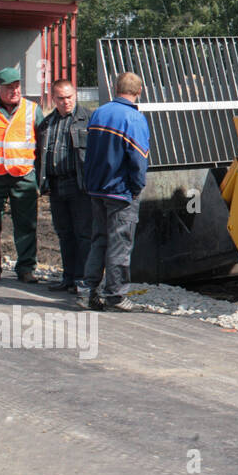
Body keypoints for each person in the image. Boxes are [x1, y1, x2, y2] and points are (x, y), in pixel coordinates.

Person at [80, 72, 150, 312]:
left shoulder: (99, 113)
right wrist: (137, 187)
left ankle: (88, 290)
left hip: (97, 188)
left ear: (115, 87)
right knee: (120, 245)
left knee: (99, 239)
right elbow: (138, 160)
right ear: (139, 91)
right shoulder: (134, 119)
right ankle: (116, 296)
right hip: (120, 192)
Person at [37, 78, 92, 293]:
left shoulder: (88, 119)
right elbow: (39, 155)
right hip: (56, 187)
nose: (65, 102)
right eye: (60, 98)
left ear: (75, 95)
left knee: (83, 233)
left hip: (79, 186)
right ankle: (68, 277)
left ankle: (83, 279)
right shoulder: (47, 124)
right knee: (64, 233)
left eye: (69, 97)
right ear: (53, 98)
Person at [0, 66, 44, 283]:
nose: (14, 91)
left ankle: (26, 268)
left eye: (17, 86)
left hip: (24, 176)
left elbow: (43, 146)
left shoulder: (33, 110)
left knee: (26, 224)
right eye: (9, 87)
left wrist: (41, 178)